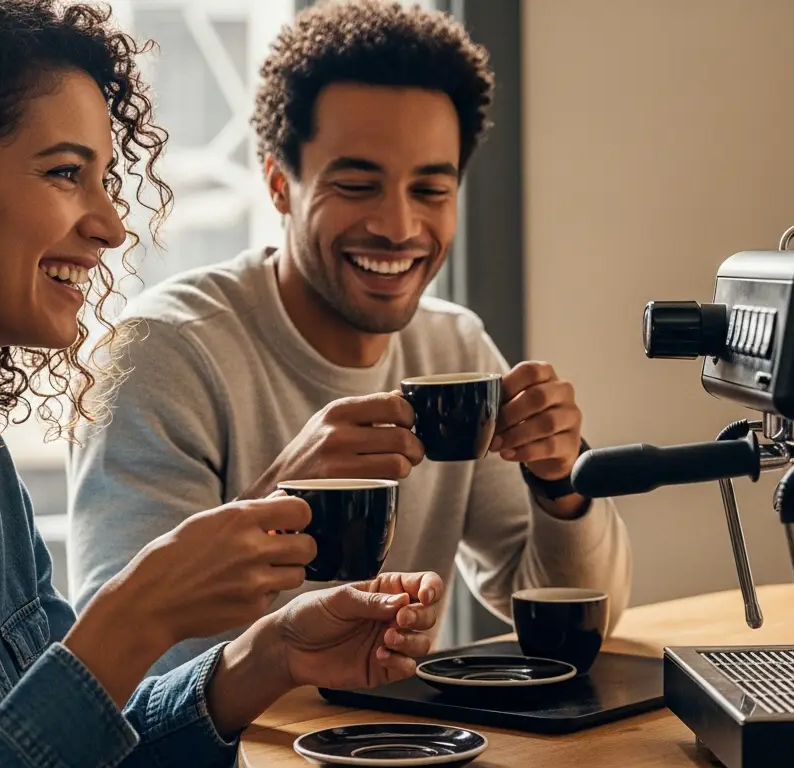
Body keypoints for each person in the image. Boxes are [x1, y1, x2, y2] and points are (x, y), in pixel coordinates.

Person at [0, 2, 443, 766]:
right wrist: (137, 614)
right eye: (65, 173)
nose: (112, 226)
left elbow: (81, 742)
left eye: (105, 179)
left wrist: (269, 656)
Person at [67, 0, 633, 675]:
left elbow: (567, 607)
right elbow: (116, 675)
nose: (399, 227)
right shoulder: (162, 354)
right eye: (358, 185)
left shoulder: (453, 349)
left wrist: (559, 483)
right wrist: (279, 503)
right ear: (279, 185)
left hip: (397, 728)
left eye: (431, 190)